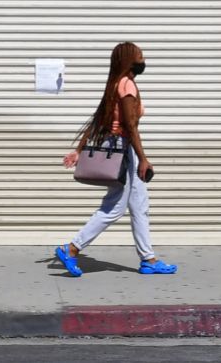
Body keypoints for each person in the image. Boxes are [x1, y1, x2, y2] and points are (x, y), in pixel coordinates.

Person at [55, 42, 178, 276]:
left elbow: (97, 120)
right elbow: (130, 126)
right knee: (114, 208)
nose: (143, 61)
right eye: (140, 57)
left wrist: (80, 150)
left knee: (140, 206)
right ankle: (71, 248)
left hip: (122, 148)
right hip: (124, 150)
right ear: (130, 60)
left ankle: (148, 259)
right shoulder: (127, 85)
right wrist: (143, 158)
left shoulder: (115, 84)